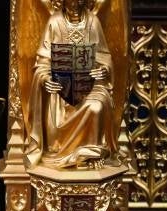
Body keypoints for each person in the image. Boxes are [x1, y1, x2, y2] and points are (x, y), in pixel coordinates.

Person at [26, 0, 117, 169]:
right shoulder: (54, 22)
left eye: (79, 1)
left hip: (91, 86)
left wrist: (104, 70)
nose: (75, 5)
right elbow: (42, 63)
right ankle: (60, 150)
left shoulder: (92, 22)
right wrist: (46, 79)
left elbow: (105, 57)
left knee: (96, 107)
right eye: (71, 1)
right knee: (57, 115)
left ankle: (91, 154)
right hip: (61, 89)